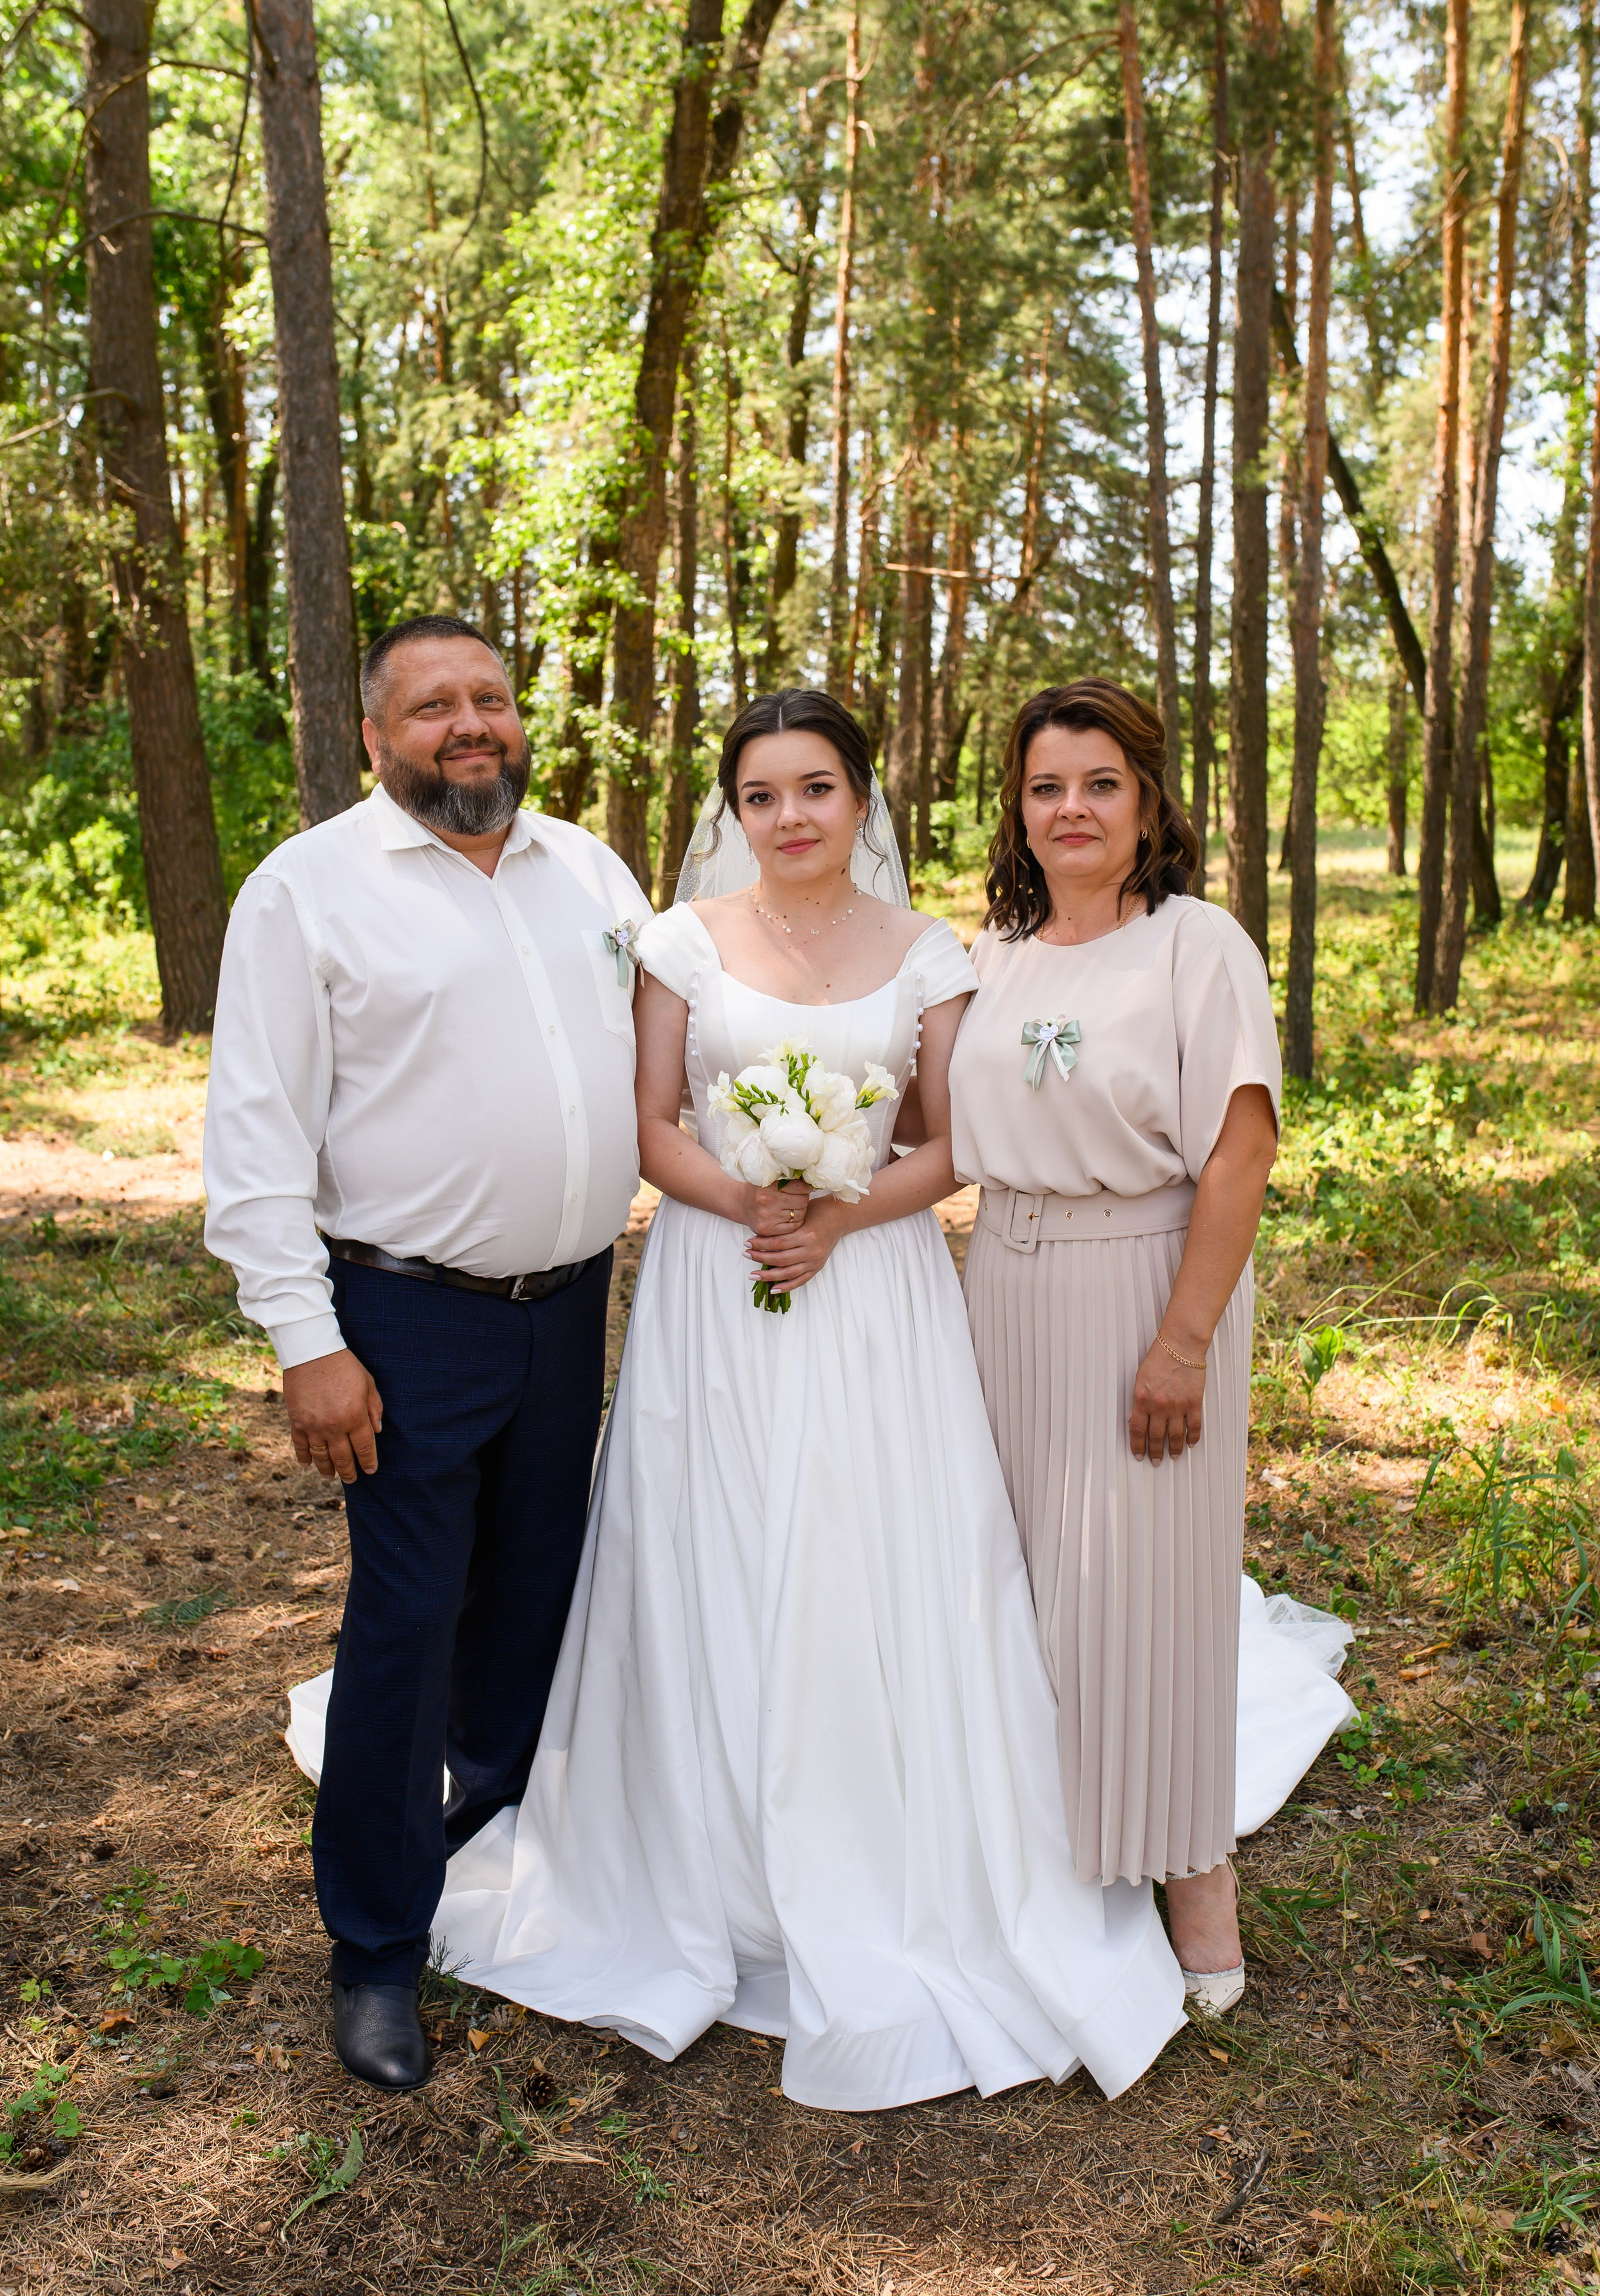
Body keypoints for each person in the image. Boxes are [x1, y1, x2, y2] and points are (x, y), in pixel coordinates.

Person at [346, 684, 1192, 2110]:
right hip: (714, 1283)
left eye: (815, 789)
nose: (788, 816)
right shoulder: (681, 939)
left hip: (872, 1297)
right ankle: (691, 1846)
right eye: (760, 795)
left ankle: (889, 1842)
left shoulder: (932, 952)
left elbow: (948, 1136)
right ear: (729, 813)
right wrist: (755, 1197)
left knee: (876, 1549)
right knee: (714, 1541)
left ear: (862, 800)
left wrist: (840, 1213)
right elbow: (647, 1119)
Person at [204, 613, 650, 2090]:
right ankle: (377, 1947)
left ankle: (492, 1818)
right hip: (403, 1316)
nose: (471, 724)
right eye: (433, 706)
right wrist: (304, 1342)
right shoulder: (307, 893)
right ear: (373, 737)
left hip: (571, 1301)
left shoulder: (589, 871)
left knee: (532, 1593)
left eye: (491, 698)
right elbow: (256, 1140)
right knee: (405, 1616)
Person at [949, 678, 1293, 2014]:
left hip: (1146, 1275)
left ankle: (1189, 1873)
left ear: (1145, 799)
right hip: (1001, 1284)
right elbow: (934, 1134)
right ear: (1017, 810)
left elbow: (1239, 1150)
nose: (1071, 807)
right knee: (1024, 1585)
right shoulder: (992, 955)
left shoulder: (1194, 945)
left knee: (1147, 1584)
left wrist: (1182, 1340)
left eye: (1098, 782)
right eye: (1045, 786)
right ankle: (1049, 1865)